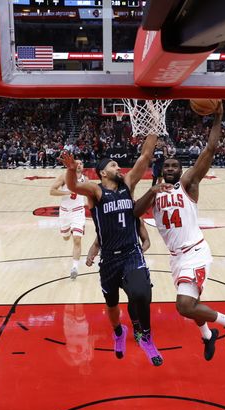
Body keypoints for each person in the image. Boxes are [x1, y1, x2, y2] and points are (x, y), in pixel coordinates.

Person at [133, 101, 225, 362]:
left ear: (182, 171)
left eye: (175, 166)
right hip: (176, 258)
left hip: (195, 251)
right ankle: (207, 336)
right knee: (192, 303)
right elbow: (134, 214)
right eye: (167, 167)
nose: (171, 168)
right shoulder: (155, 193)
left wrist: (217, 119)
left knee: (184, 305)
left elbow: (210, 149)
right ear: (161, 171)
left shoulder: (188, 185)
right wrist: (151, 192)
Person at [60, 133, 164, 367]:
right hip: (109, 259)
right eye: (114, 165)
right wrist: (69, 169)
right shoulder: (96, 192)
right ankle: (119, 331)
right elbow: (74, 185)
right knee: (113, 308)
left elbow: (145, 156)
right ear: (103, 173)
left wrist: (153, 129)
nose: (119, 168)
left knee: (141, 294)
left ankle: (146, 337)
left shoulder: (127, 185)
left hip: (131, 253)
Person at [50, 158, 87, 279]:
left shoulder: (85, 180)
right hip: (65, 212)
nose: (79, 165)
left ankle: (75, 267)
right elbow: (52, 191)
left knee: (77, 239)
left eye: (81, 163)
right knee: (66, 238)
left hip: (78, 212)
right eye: (77, 163)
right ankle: (69, 231)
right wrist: (67, 193)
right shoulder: (64, 177)